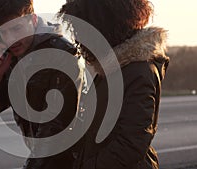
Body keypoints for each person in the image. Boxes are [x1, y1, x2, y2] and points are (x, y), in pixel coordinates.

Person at [58, 0, 169, 168]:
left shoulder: (138, 72)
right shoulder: (111, 69)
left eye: (83, 31)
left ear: (103, 27)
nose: (78, 40)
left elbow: (131, 144)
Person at [0, 0, 85, 168]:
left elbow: (56, 128)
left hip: (71, 159)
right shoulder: (12, 57)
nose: (11, 39)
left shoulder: (62, 54)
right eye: (3, 32)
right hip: (42, 155)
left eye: (17, 29)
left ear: (34, 20)